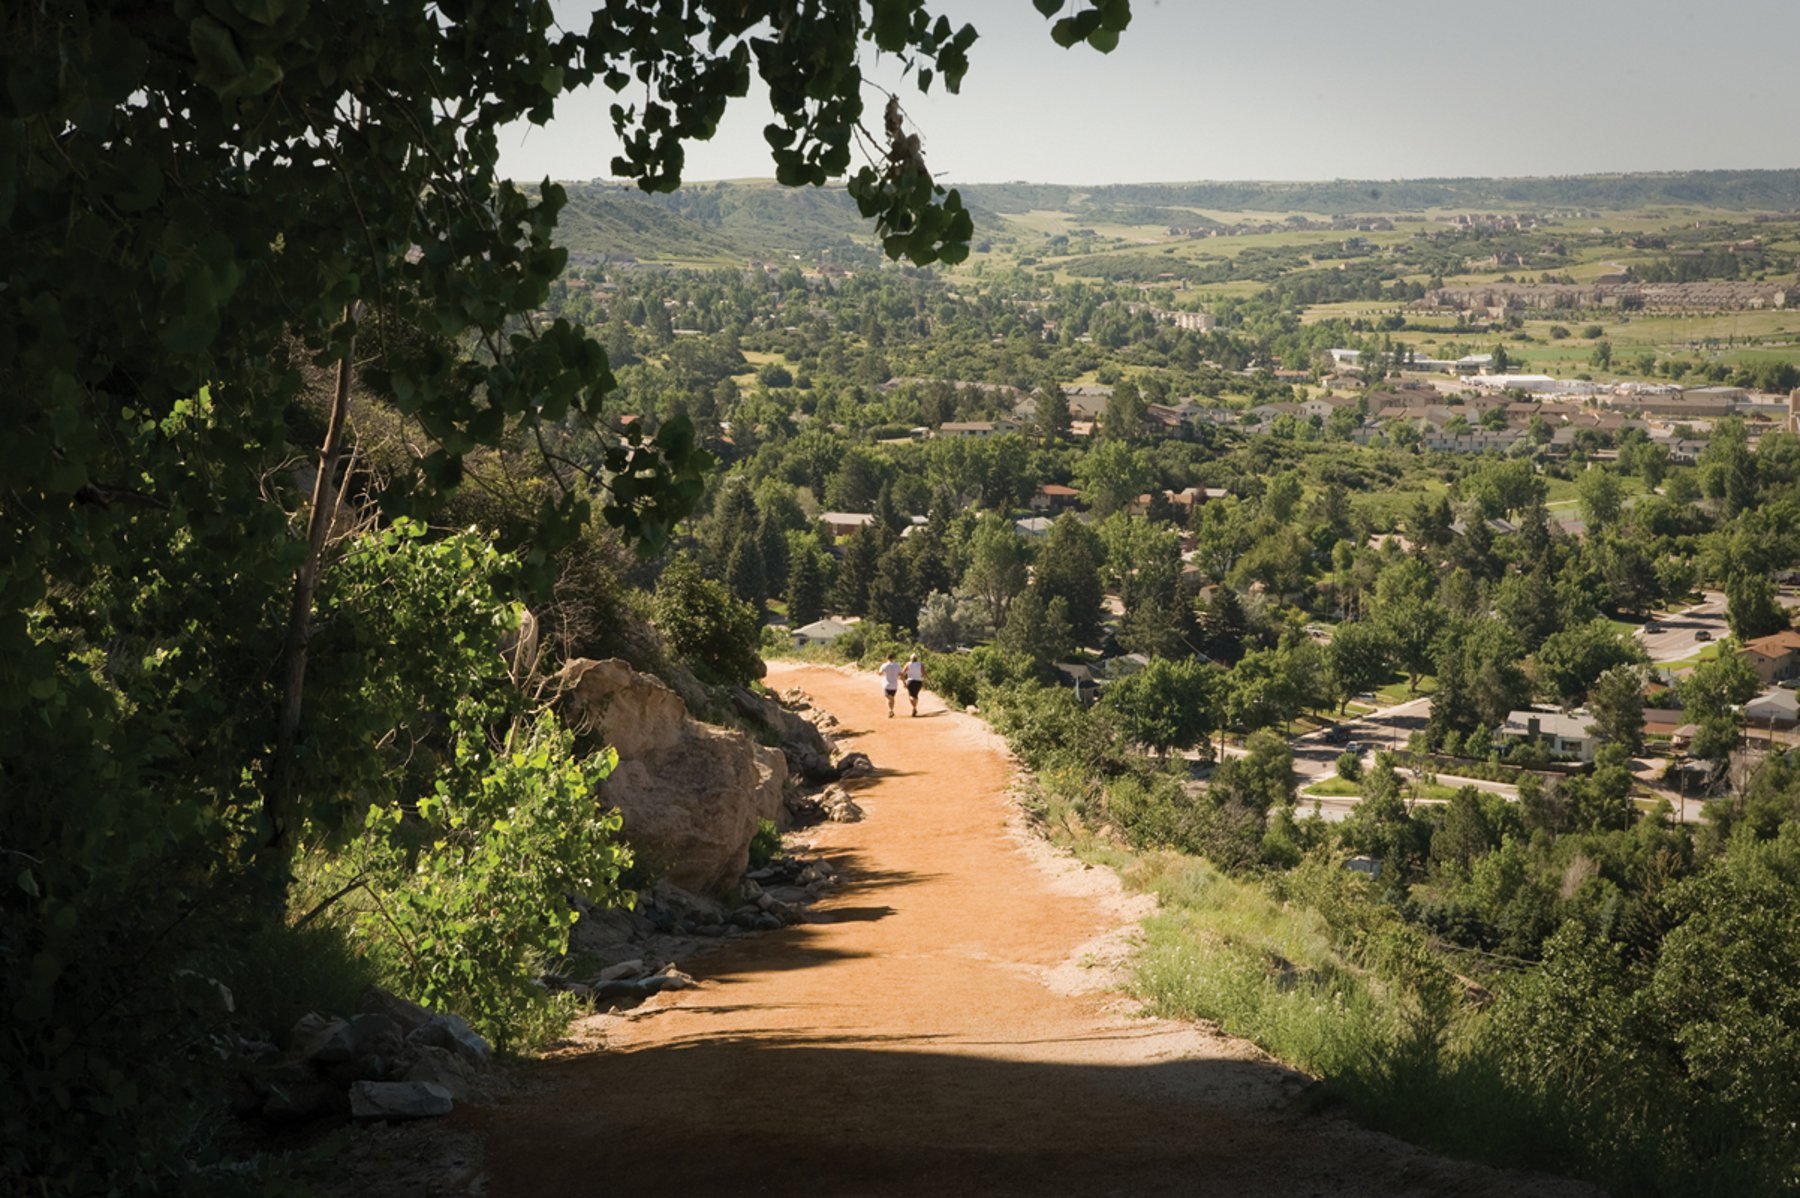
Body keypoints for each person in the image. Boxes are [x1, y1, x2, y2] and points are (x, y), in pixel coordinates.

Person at [877, 652, 902, 717]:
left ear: (887, 658)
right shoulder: (897, 665)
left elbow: (880, 673)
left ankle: (890, 710)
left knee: (888, 698)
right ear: (893, 658)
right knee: (892, 698)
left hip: (887, 684)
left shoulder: (884, 665)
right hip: (894, 685)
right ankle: (891, 709)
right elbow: (901, 674)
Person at [903, 652, 925, 716]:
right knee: (915, 695)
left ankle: (914, 708)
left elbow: (903, 673)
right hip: (918, 681)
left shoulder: (908, 664)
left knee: (911, 696)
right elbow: (923, 673)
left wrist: (904, 682)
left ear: (910, 658)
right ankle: (914, 708)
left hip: (910, 681)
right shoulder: (921, 664)